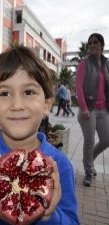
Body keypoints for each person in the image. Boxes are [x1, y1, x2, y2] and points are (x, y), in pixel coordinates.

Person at [0, 47, 79, 225]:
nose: (16, 104)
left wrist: (49, 216)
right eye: (5, 93)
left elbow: (72, 221)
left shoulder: (60, 165)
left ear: (47, 105)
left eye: (29, 92)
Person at [75, 33, 109, 187]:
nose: (92, 45)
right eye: (90, 43)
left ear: (101, 44)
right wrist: (83, 108)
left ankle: (89, 160)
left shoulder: (107, 64)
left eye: (95, 42)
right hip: (88, 109)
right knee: (89, 141)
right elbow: (78, 87)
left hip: (103, 109)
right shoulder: (84, 63)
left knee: (107, 139)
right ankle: (88, 172)